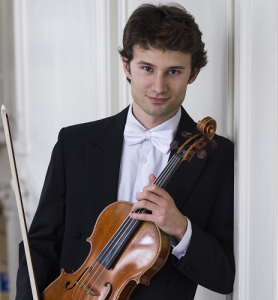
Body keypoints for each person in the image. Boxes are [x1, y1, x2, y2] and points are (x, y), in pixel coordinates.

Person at [16, 3, 235, 300]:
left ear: (193, 73)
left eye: (174, 71)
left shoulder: (217, 156)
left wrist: (180, 228)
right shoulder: (75, 143)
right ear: (126, 65)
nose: (158, 86)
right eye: (147, 68)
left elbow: (224, 275)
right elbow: (41, 245)